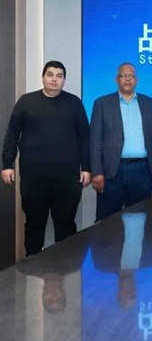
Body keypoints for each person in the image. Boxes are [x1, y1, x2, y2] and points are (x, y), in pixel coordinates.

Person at [1, 60, 91, 256]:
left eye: (59, 76)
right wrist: (7, 163)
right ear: (43, 77)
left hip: (66, 177)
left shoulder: (74, 103)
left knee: (66, 223)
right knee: (34, 222)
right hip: (34, 177)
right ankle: (31, 264)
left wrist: (86, 167)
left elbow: (85, 137)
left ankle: (66, 264)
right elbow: (12, 135)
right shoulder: (26, 102)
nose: (54, 80)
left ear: (64, 80)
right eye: (50, 75)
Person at [89, 63, 152, 221]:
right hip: (112, 172)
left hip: (142, 171)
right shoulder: (102, 103)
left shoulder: (149, 104)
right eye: (123, 75)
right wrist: (97, 172)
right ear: (116, 79)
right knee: (108, 223)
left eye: (131, 76)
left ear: (136, 80)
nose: (127, 79)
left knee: (141, 221)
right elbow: (95, 140)